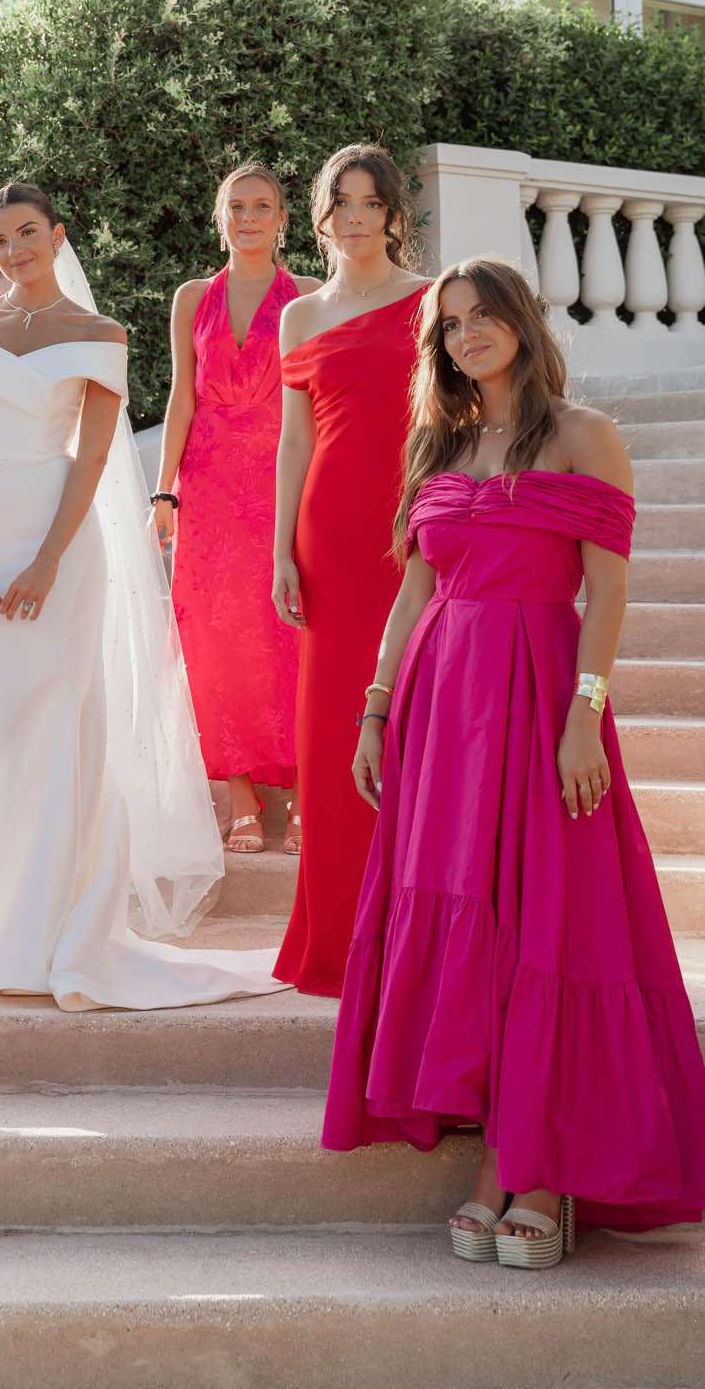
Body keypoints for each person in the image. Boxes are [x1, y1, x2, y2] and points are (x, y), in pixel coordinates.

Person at [323, 258, 705, 1265]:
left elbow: (607, 594)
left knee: (550, 920)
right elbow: (412, 597)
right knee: (473, 923)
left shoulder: (588, 436)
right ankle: (500, 1151)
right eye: (450, 326)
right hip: (441, 712)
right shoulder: (437, 442)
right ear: (437, 347)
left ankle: (534, 1173)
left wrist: (586, 712)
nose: (468, 335)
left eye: (484, 316)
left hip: (541, 698)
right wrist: (374, 708)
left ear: (523, 324)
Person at [0, 183, 283, 1010]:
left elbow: (87, 461)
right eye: (0, 239)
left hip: (60, 546)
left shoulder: (97, 333)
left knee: (55, 716)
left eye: (27, 233)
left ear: (57, 235)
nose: (12, 250)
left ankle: (48, 929)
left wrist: (47, 558)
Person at [271, 144, 429, 996]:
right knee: (333, 729)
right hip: (328, 530)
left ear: (392, 214)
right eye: (344, 201)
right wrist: (278, 549)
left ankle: (415, 932)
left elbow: (458, 412)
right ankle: (337, 937)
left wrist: (432, 506)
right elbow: (293, 440)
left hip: (411, 518)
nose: (358, 216)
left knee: (412, 714)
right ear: (323, 212)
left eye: (372, 201)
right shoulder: (301, 315)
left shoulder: (430, 302)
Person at [153, 163, 318, 855]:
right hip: (211, 486)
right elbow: (181, 397)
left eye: (262, 206)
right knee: (216, 640)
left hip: (287, 480)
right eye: (235, 207)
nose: (248, 218)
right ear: (217, 218)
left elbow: (318, 401)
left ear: (283, 219)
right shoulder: (193, 297)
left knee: (294, 633)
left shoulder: (310, 296)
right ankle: (241, 795)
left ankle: (310, 790)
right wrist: (164, 491)